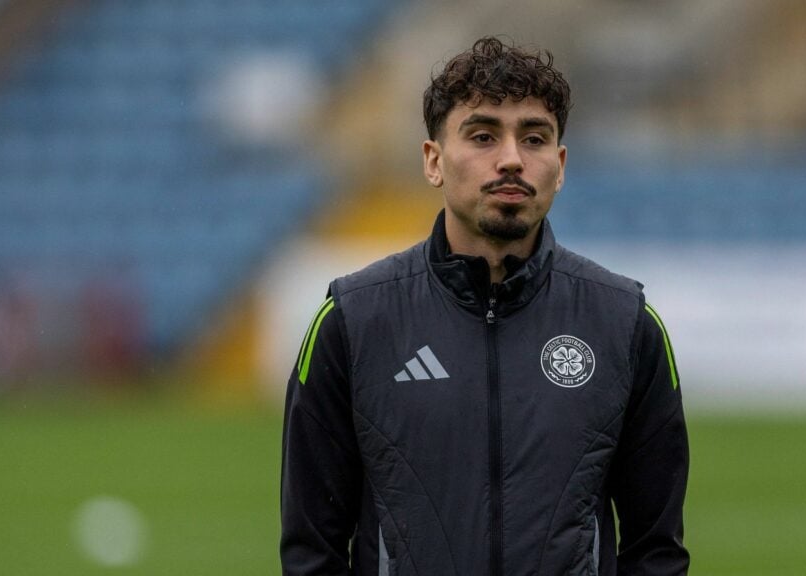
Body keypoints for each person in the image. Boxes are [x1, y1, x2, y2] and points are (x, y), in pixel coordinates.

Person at [281, 36, 689, 576]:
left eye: (534, 138)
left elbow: (656, 551)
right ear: (433, 161)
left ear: (560, 166)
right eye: (483, 136)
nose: (512, 159)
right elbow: (312, 550)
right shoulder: (353, 320)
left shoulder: (624, 322)